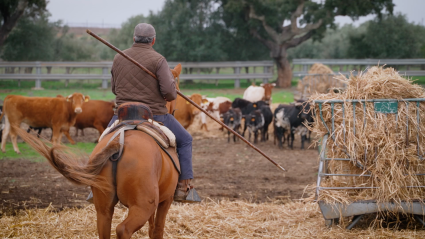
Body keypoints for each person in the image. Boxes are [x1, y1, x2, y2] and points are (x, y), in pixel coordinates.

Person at [91, 23, 195, 202]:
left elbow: (115, 89)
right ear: (153, 41)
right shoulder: (159, 60)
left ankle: (93, 186)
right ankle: (183, 187)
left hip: (122, 114)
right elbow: (170, 94)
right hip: (155, 114)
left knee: (102, 141)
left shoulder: (118, 57)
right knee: (186, 140)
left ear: (133, 38)